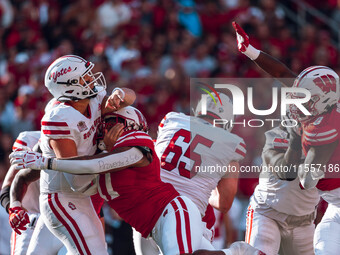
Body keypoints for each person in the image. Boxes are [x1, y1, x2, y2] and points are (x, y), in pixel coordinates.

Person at [11, 106, 264, 255]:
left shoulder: (139, 145)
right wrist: (15, 198)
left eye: (113, 122)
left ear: (129, 127)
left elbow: (94, 165)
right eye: (106, 121)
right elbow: (71, 169)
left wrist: (44, 162)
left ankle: (237, 252)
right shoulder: (103, 151)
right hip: (146, 225)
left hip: (172, 213)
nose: (105, 125)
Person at [233, 21, 340, 255]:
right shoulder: (282, 133)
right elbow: (282, 73)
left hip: (310, 216)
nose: (298, 105)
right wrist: (251, 51)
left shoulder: (325, 121)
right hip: (275, 211)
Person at [14, 54, 134, 255]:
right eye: (85, 77)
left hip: (80, 196)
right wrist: (105, 149)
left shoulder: (93, 99)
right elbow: (77, 180)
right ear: (69, 86)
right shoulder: (59, 117)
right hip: (63, 197)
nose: (92, 79)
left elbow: (130, 98)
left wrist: (120, 94)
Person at [133, 92, 243, 255]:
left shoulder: (172, 119)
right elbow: (224, 204)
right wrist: (205, 187)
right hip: (182, 218)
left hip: (145, 210)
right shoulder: (230, 145)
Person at [246, 122, 320, 255]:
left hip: (304, 220)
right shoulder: (276, 135)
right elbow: (287, 173)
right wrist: (296, 141)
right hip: (268, 212)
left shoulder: (328, 138)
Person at [0, 131, 65, 255]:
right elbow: (7, 185)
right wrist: (13, 208)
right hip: (29, 220)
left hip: (62, 219)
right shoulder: (29, 139)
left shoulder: (77, 140)